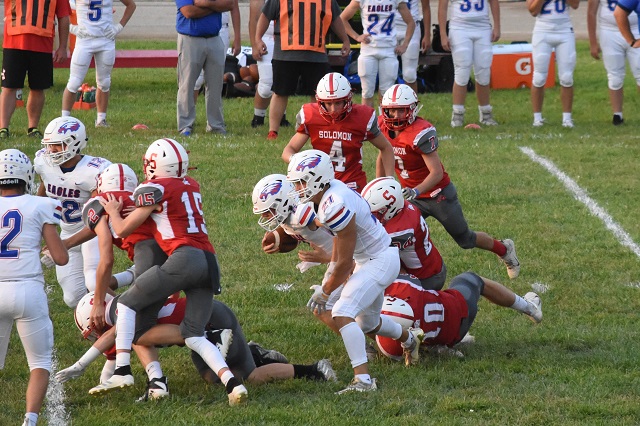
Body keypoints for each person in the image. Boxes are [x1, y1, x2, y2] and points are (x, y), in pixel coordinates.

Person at [91, 138, 248, 406]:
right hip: (210, 262)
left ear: (155, 166)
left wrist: (113, 211)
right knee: (193, 334)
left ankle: (122, 370)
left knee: (126, 304)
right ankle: (233, 385)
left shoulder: (155, 188)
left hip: (184, 258)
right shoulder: (191, 184)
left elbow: (124, 228)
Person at [286, 150, 425, 394]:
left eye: (300, 182)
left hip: (379, 260)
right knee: (368, 322)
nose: (297, 188)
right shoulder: (330, 194)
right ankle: (410, 339)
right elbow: (339, 243)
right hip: (371, 257)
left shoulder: (335, 203)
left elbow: (345, 262)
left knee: (342, 312)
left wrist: (325, 291)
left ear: (316, 179)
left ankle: (363, 381)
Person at [58, 294, 337, 401]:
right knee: (210, 377)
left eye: (95, 330)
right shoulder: (124, 316)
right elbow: (114, 358)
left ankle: (313, 370)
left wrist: (80, 365)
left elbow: (114, 337)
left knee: (247, 377)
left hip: (213, 320)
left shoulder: (124, 315)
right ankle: (251, 353)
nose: (98, 335)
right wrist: (102, 384)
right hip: (197, 330)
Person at [378, 84, 520, 279]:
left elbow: (436, 173)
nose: (395, 115)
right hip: (411, 195)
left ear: (412, 110)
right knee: (394, 233)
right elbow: (383, 154)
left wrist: (415, 191)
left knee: (465, 239)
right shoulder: (383, 126)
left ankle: (504, 249)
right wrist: (383, 184)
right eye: (391, 110)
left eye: (400, 110)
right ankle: (405, 278)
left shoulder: (420, 132)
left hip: (437, 195)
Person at [0, 149, 69, 426]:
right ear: (26, 176)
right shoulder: (41, 205)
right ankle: (30, 420)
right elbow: (61, 257)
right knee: (39, 363)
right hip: (28, 290)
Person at [34, 116, 117, 308]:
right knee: (73, 298)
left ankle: (127, 312)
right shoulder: (44, 163)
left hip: (93, 232)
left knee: (93, 283)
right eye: (49, 145)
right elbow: (44, 188)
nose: (51, 150)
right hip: (67, 230)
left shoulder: (94, 171)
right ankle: (128, 278)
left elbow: (99, 219)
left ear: (75, 143)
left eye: (58, 145)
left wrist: (65, 244)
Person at [375, 273, 542, 360]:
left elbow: (369, 323)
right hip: (456, 313)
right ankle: (529, 307)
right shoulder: (402, 286)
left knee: (369, 322)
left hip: (439, 330)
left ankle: (432, 347)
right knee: (471, 279)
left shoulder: (389, 348)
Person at [282, 72, 396, 193]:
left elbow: (386, 147)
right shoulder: (311, 116)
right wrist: (297, 161)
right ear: (320, 101)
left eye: (338, 103)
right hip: (320, 182)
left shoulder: (362, 117)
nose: (333, 109)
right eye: (328, 103)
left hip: (352, 183)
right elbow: (289, 150)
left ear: (348, 99)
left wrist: (389, 180)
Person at [253, 0, 351, 140]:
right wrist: (258, 38)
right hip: (285, 53)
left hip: (316, 54)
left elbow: (335, 18)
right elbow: (266, 15)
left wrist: (345, 39)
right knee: (280, 92)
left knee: (318, 94)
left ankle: (318, 128)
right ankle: (273, 131)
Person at [252, 174, 337, 330]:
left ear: (283, 202)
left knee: (330, 310)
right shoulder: (291, 214)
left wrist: (328, 257)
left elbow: (341, 232)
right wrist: (278, 239)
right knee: (358, 314)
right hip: (342, 258)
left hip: (350, 258)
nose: (265, 217)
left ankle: (366, 343)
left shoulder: (302, 215)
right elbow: (300, 233)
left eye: (268, 211)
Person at [0, 0, 70, 139]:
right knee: (8, 87)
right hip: (14, 42)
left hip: (42, 44)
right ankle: (3, 128)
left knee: (38, 88)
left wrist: (63, 47)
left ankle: (32, 127)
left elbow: (64, 17)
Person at [361, 176, 446, 290]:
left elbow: (371, 253)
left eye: (377, 213)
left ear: (389, 209)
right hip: (430, 263)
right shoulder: (401, 206)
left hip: (426, 277)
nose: (373, 216)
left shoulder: (401, 230)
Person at [61, 0, 136, 128]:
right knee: (74, 82)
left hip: (105, 40)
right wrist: (72, 28)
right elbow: (58, 8)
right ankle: (63, 120)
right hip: (84, 40)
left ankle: (101, 120)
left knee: (104, 82)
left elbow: (131, 5)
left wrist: (118, 27)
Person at [340, 0, 415, 107]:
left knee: (387, 93)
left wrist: (405, 45)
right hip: (368, 50)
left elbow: (411, 22)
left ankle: (384, 118)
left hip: (389, 49)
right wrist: (356, 37)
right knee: (367, 92)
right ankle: (368, 118)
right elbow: (342, 18)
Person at [176, 0, 235, 136]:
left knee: (215, 85)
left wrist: (206, 4)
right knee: (187, 84)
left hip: (214, 37)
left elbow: (229, 4)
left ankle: (216, 125)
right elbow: (188, 12)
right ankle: (185, 125)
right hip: (190, 38)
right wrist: (216, 7)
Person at [438, 0, 500, 127]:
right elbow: (442, 6)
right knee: (462, 71)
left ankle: (486, 113)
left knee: (483, 71)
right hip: (459, 28)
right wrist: (443, 34)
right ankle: (457, 113)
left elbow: (494, 1)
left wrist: (497, 26)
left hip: (483, 27)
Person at [527, 0, 580, 128]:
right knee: (539, 77)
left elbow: (575, 4)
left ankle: (567, 119)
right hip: (542, 30)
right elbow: (533, 11)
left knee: (567, 77)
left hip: (564, 29)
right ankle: (537, 118)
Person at [594, 0, 640, 125]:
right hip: (609, 30)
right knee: (614, 76)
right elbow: (592, 12)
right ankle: (617, 115)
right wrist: (593, 41)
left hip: (635, 28)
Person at [248, 0, 290, 128]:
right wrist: (255, 44)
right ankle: (258, 117)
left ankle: (280, 116)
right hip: (266, 37)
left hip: (288, 37)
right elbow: (254, 19)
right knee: (266, 84)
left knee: (283, 80)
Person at [397, 0, 432, 93]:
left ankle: (411, 102)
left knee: (410, 74)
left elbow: (426, 7)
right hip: (390, 29)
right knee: (386, 75)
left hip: (412, 29)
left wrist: (427, 35)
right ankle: (385, 102)